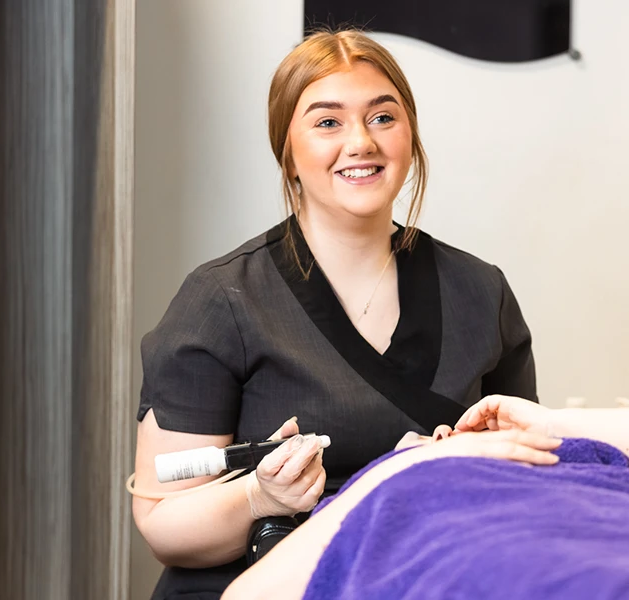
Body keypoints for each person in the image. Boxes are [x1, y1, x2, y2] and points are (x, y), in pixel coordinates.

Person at [132, 28, 537, 599]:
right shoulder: (222, 300)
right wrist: (259, 498)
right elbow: (163, 524)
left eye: (382, 117)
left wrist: (461, 468)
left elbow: (520, 469)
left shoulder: (480, 291)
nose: (361, 142)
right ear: (288, 152)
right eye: (328, 122)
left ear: (410, 136)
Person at [221, 396, 629, 600]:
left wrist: (547, 422)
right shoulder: (372, 502)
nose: (442, 433)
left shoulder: (566, 455)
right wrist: (400, 471)